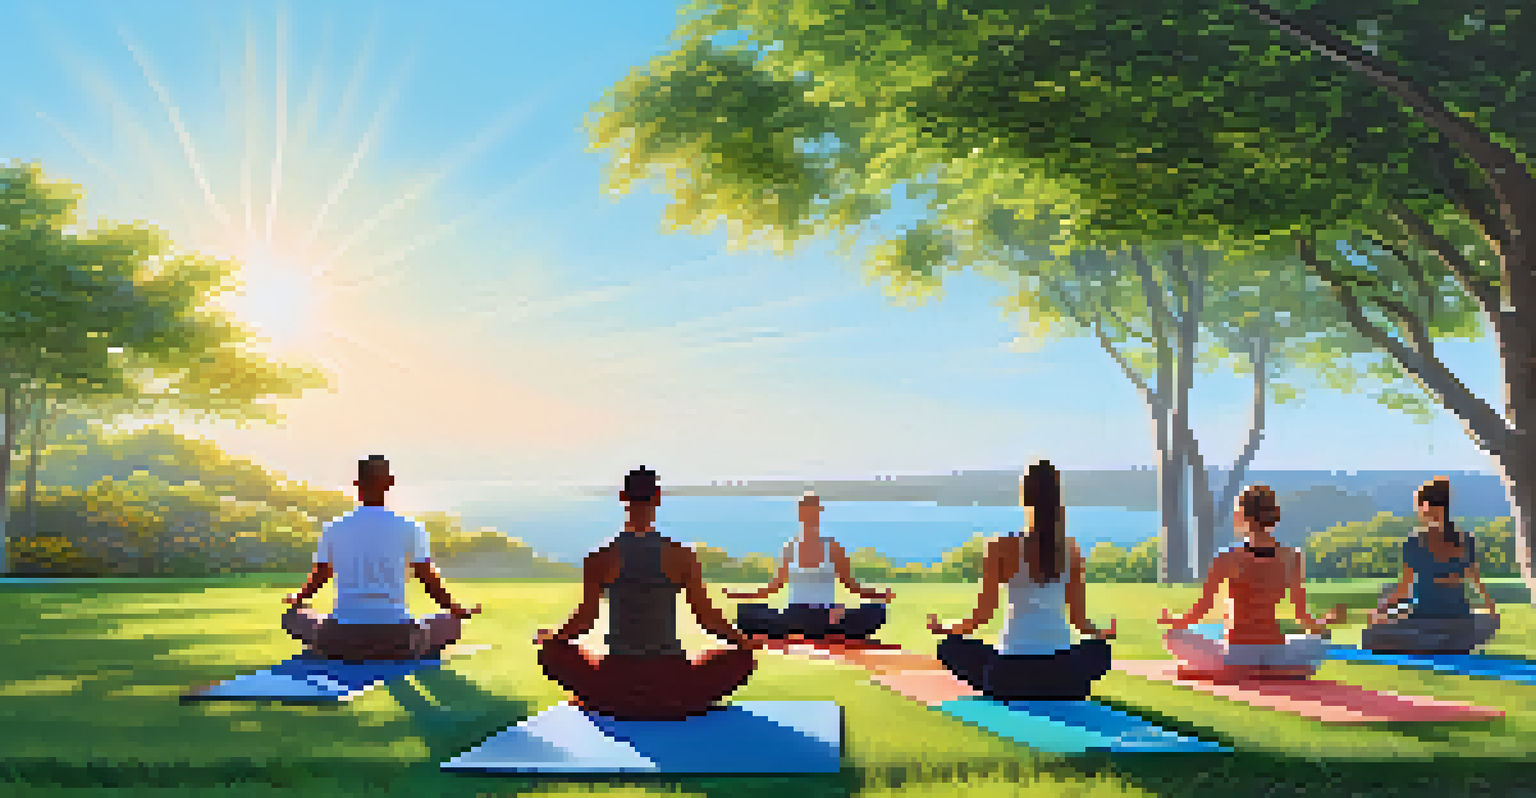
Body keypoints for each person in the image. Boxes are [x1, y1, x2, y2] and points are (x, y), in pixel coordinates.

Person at [534, 466, 759, 721]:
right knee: (741, 658)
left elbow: (582, 624)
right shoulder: (681, 555)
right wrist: (743, 643)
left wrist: (551, 637)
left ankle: (606, 701)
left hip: (615, 681)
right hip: (673, 683)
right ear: (658, 498)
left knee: (551, 651)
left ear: (622, 497)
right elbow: (707, 620)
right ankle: (672, 703)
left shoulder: (601, 557)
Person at [926, 460, 1117, 701]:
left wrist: (946, 628)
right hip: (1065, 677)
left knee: (949, 647)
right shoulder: (1071, 549)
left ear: (1024, 497)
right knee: (1100, 650)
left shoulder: (1000, 546)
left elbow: (981, 618)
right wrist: (1101, 633)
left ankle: (1010, 684)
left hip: (1009, 675)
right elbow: (1080, 622)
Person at [281, 455, 480, 661]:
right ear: (389, 483)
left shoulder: (334, 527)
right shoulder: (410, 527)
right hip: (398, 638)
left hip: (339, 637)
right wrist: (456, 609)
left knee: (293, 617)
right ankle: (406, 648)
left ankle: (330, 647)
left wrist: (299, 599)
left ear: (357, 484)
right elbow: (428, 579)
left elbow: (321, 575)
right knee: (450, 622)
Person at [1160, 485, 1345, 682]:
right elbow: (1302, 618)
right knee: (1319, 642)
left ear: (1242, 516)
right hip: (1276, 652)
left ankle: (1233, 672)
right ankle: (1273, 672)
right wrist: (1324, 624)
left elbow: (1203, 609)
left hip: (1237, 653)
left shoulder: (1227, 558)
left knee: (1172, 636)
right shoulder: (1292, 557)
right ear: (1275, 515)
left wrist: (1174, 622)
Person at [724, 491, 895, 641]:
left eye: (812, 512)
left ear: (819, 514)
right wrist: (741, 595)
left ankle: (808, 629)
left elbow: (851, 585)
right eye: (806, 512)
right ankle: (829, 630)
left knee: (876, 610)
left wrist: (878, 594)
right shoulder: (790, 547)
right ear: (799, 515)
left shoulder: (832, 547)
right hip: (799, 616)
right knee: (745, 611)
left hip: (821, 616)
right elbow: (774, 587)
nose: (809, 516)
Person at [1361, 477, 1499, 655]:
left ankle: (1433, 642)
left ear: (1424, 507)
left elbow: (1404, 589)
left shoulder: (1414, 541)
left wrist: (1379, 610)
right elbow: (1476, 582)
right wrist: (1492, 612)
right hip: (1461, 623)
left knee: (1371, 635)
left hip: (1426, 621)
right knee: (1480, 623)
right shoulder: (1466, 539)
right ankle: (1447, 642)